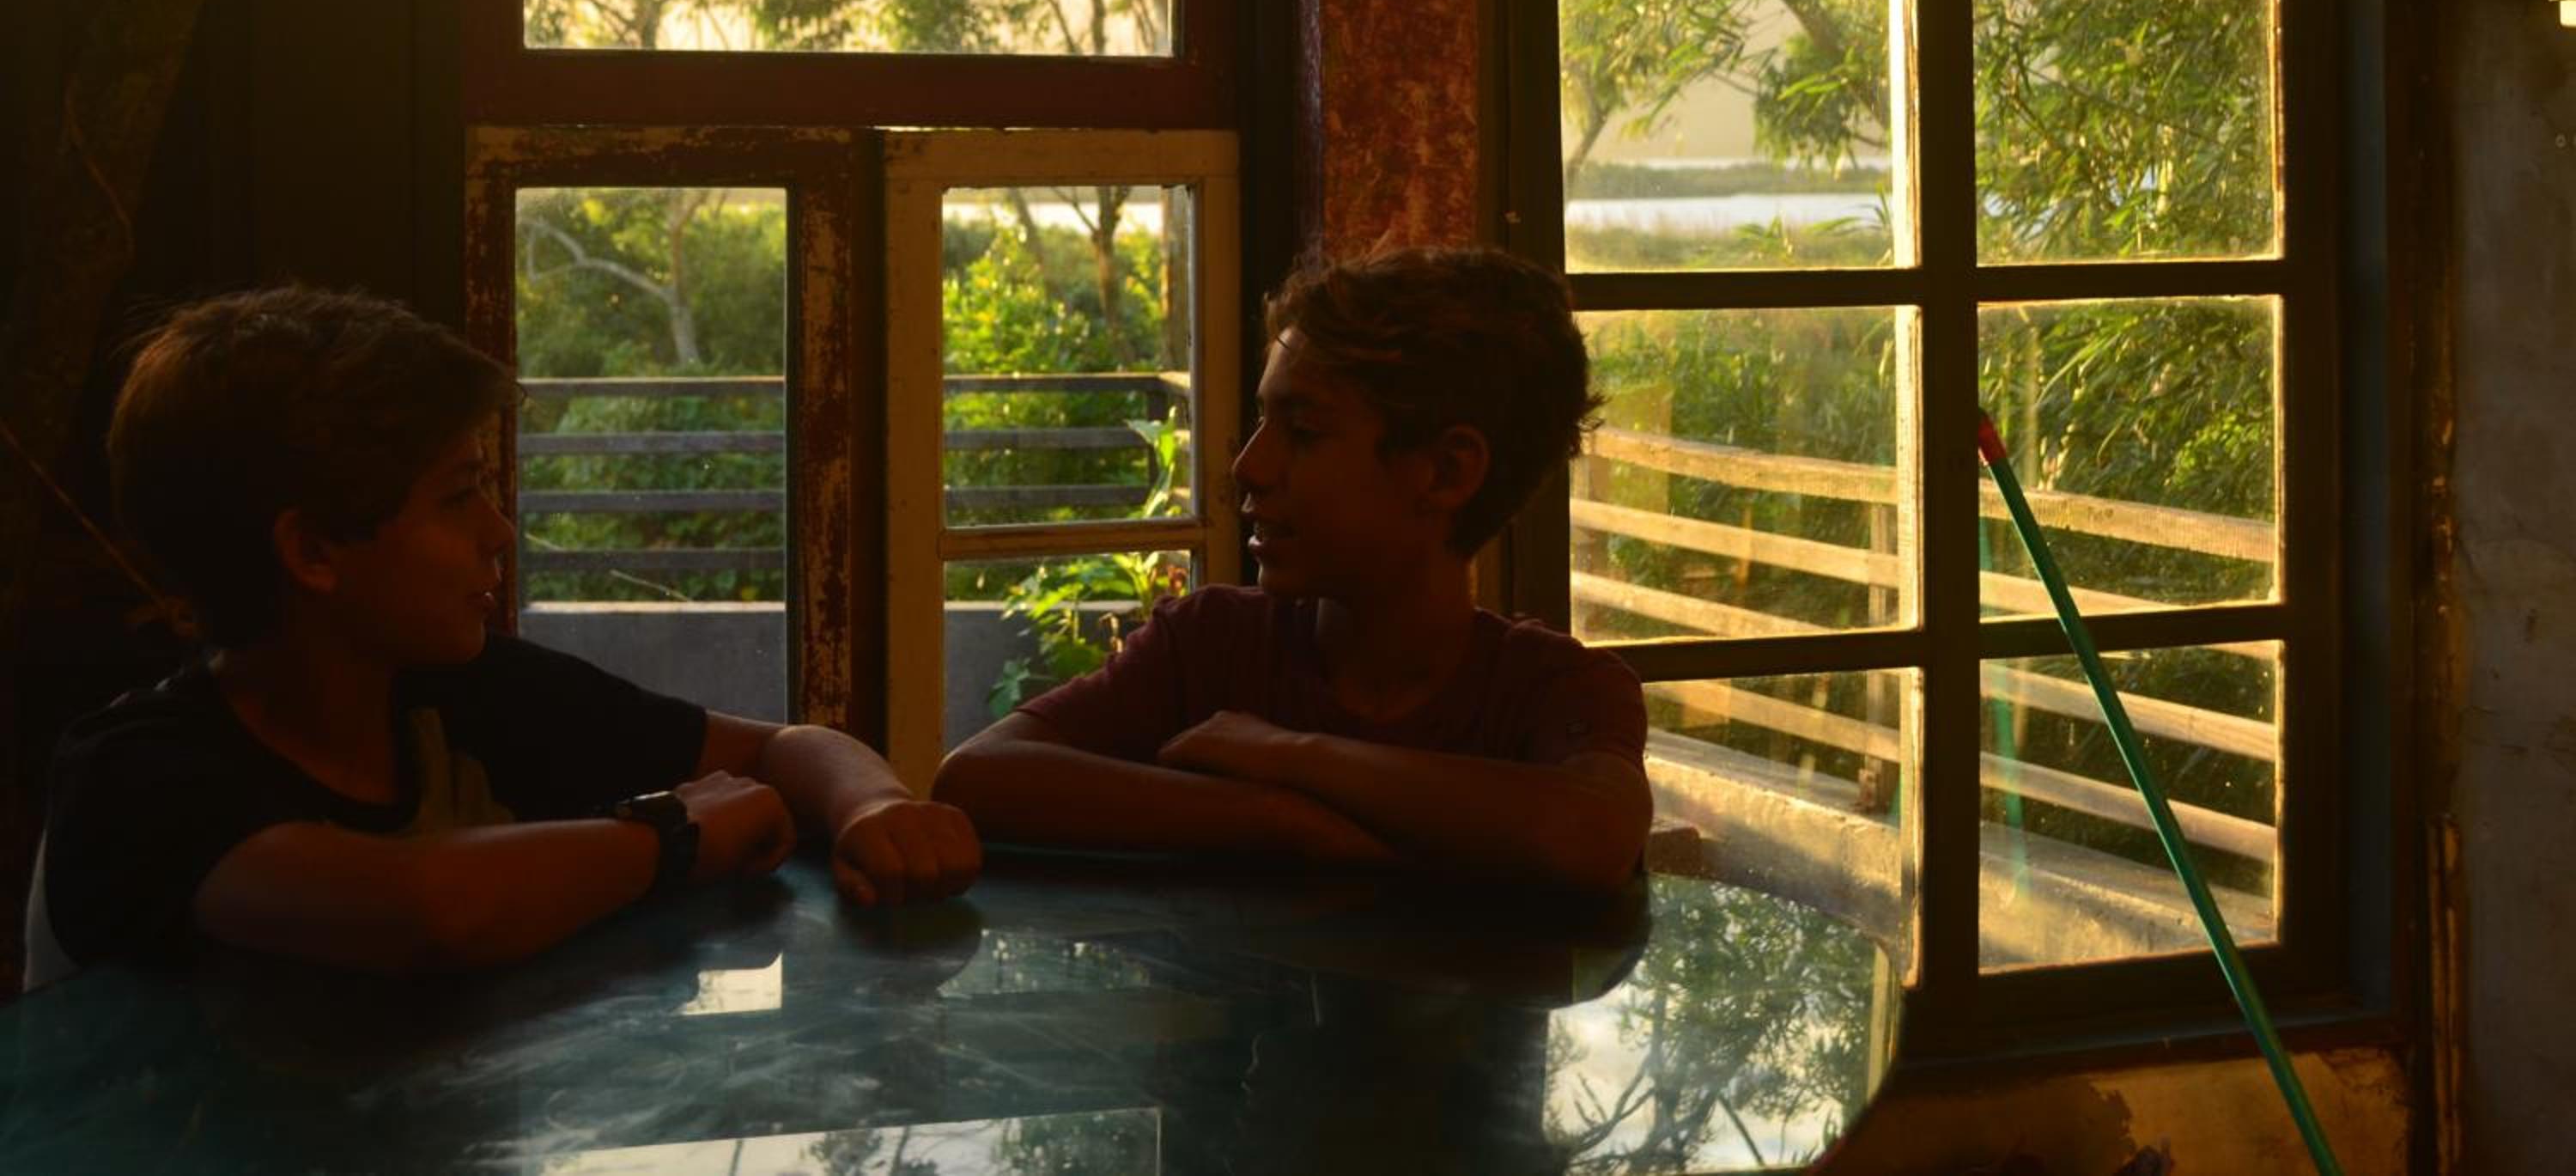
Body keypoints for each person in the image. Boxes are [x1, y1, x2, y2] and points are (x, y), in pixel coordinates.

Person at [31, 287, 979, 984]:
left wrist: (873, 805)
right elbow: (429, 910)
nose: (499, 530)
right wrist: (672, 833)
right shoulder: (138, 776)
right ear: (313, 551)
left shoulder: (472, 690)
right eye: (458, 496)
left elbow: (783, 749)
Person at [933, 245, 1649, 891]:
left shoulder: (1553, 690)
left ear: (1446, 472)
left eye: (1302, 432)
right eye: (1262, 422)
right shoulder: (1212, 645)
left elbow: (1591, 835)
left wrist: (1287, 754)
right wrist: (1275, 819)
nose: (1250, 466)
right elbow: (977, 778)